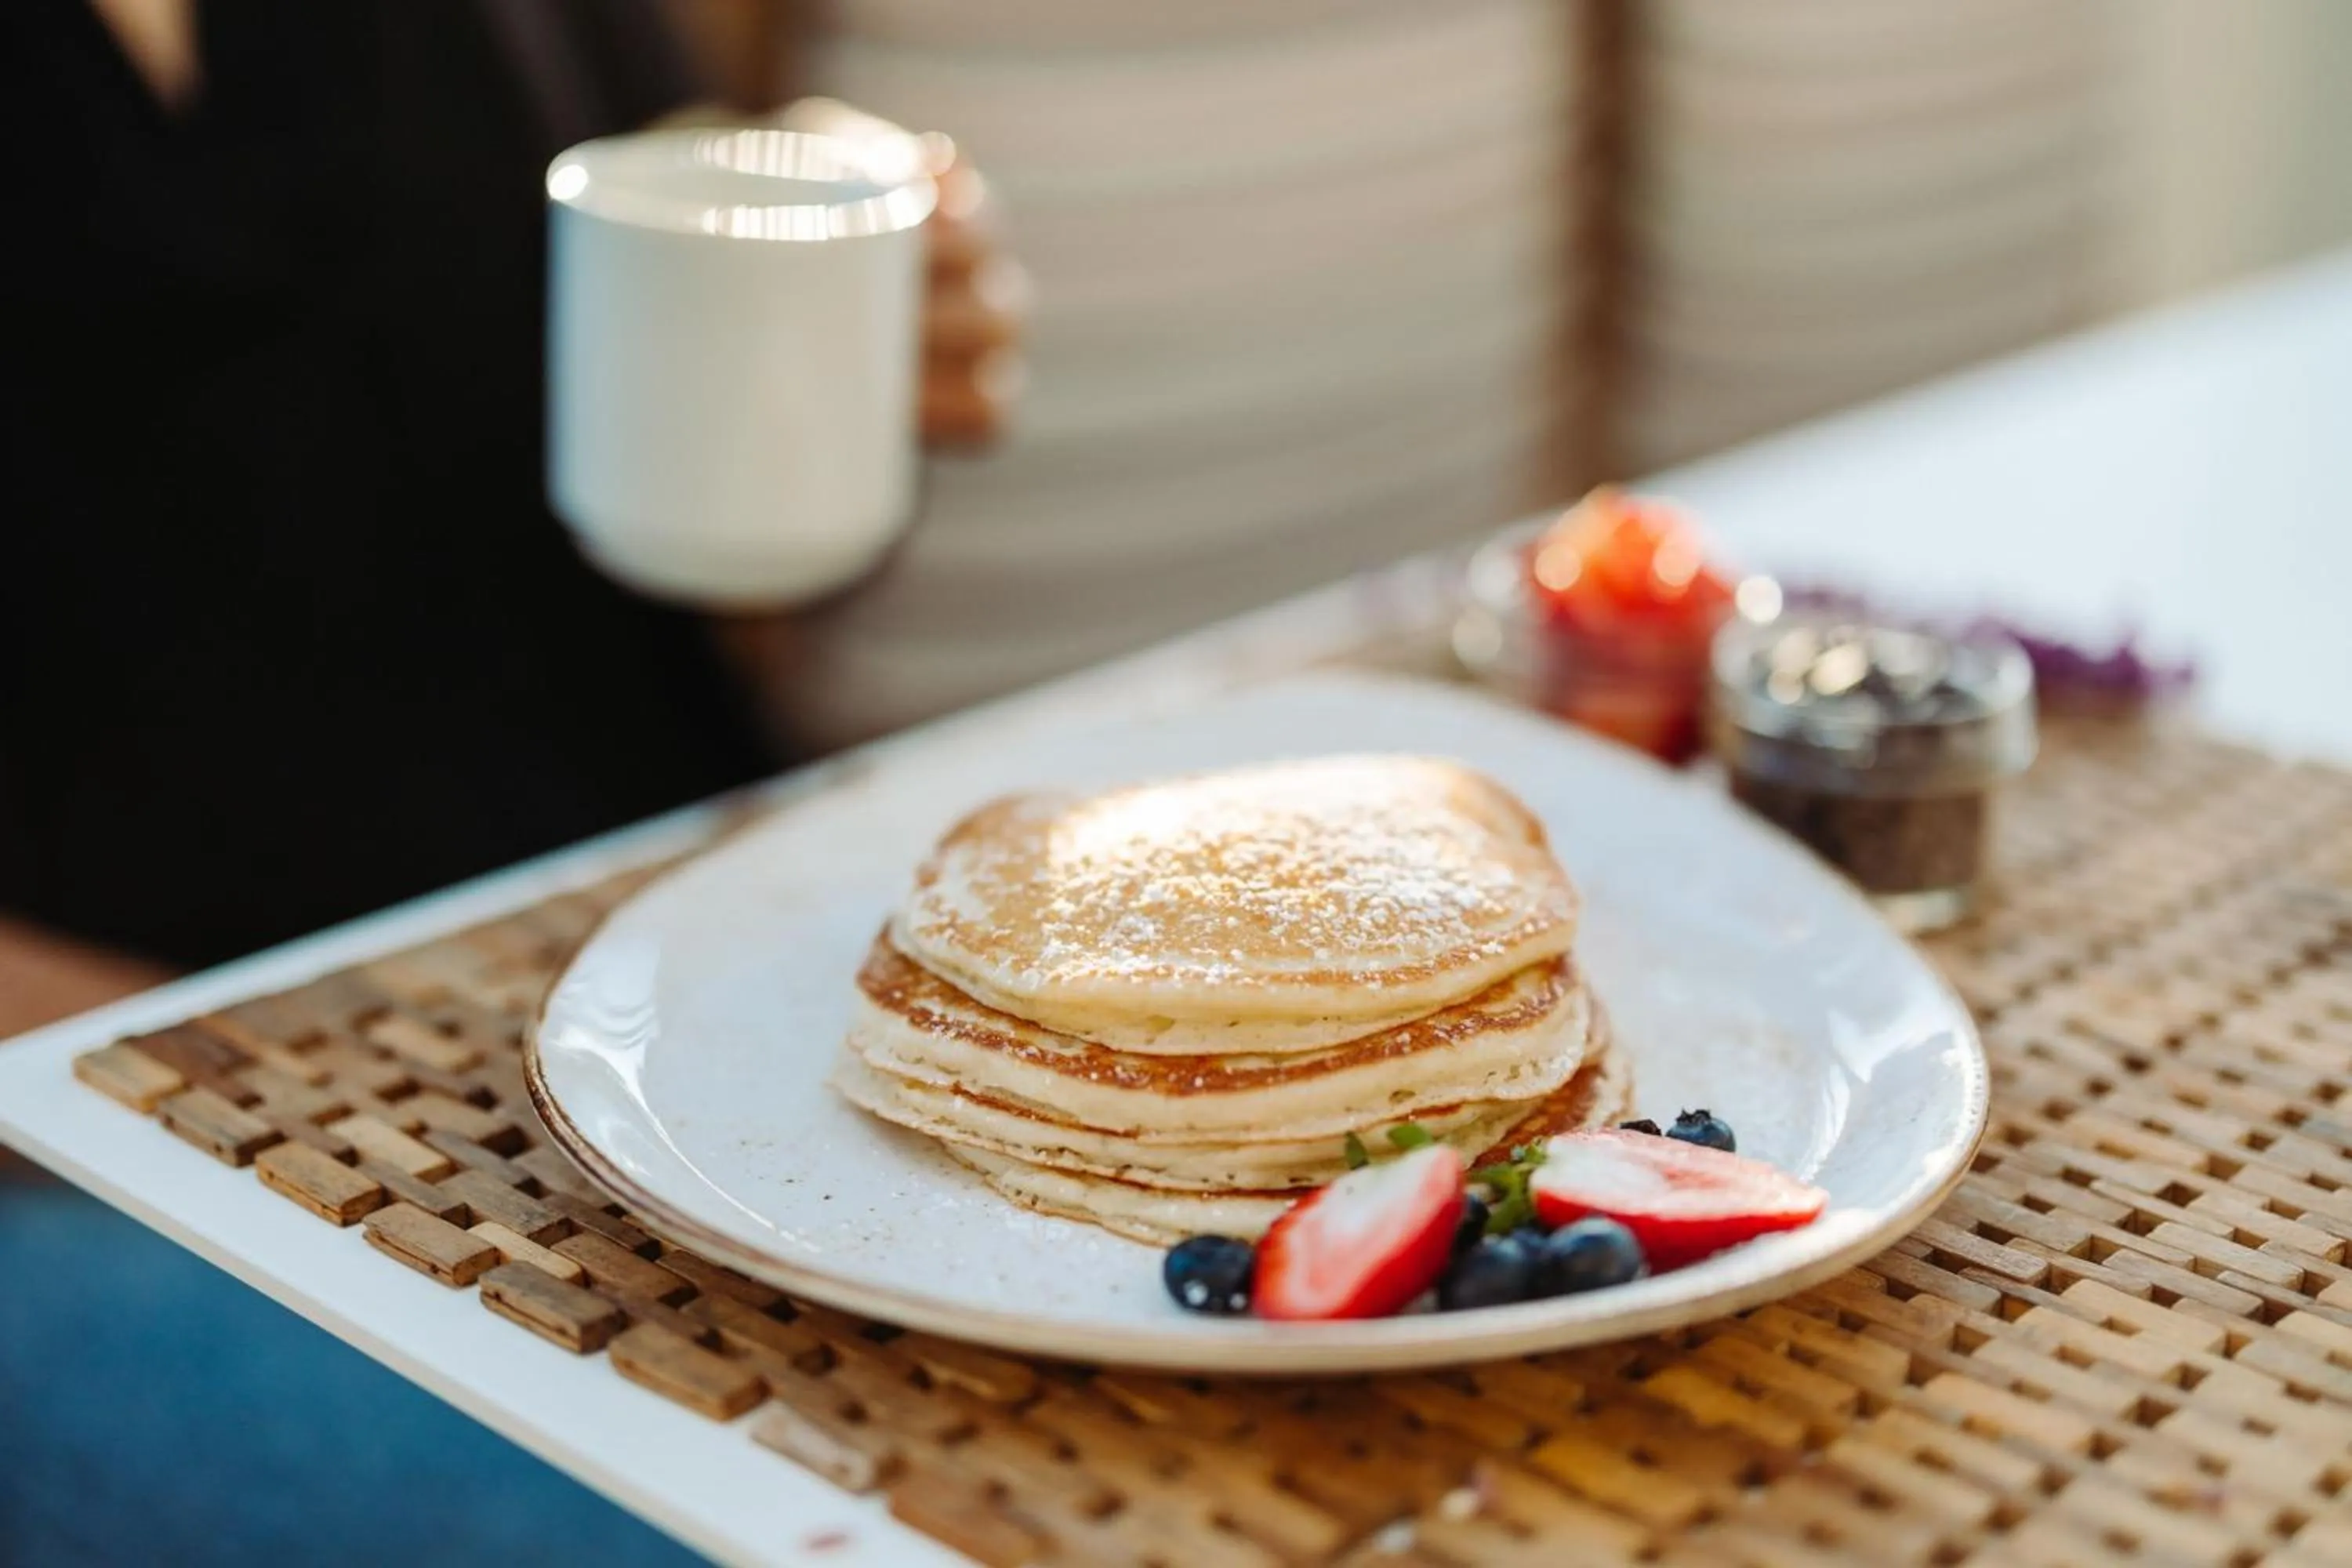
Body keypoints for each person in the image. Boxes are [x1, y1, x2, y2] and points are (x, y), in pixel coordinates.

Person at [0, 4, 1015, 1560]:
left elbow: (667, 593)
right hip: (119, 1147)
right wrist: (295, 1096)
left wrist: (823, 374)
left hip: (664, 1032)